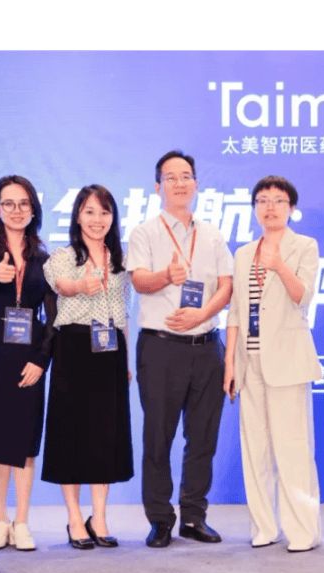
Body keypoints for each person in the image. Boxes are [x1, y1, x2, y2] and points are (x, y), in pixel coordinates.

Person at [127, 150, 234, 548]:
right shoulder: (145, 232)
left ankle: (193, 516)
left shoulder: (212, 234)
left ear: (196, 184)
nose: (179, 183)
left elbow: (226, 284)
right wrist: (166, 276)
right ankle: (159, 519)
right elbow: (139, 281)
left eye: (186, 176)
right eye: (171, 177)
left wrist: (203, 313)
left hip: (206, 346)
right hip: (161, 349)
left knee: (202, 438)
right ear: (158, 187)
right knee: (158, 437)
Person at [224, 175, 322, 552]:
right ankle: (264, 527)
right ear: (255, 208)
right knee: (256, 450)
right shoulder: (244, 254)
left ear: (291, 208)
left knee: (293, 448)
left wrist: (279, 266)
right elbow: (236, 310)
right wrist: (231, 363)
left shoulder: (304, 246)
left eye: (279, 200)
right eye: (263, 200)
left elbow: (303, 296)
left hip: (287, 360)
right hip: (249, 361)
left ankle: (303, 531)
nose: (270, 207)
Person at [42, 184, 133, 550]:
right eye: (90, 211)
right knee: (71, 434)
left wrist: (127, 361)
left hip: (111, 348)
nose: (98, 220)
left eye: (105, 212)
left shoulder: (120, 260)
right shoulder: (63, 256)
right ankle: (75, 518)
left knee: (105, 435)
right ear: (78, 215)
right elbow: (62, 285)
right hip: (74, 347)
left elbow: (124, 315)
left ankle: (100, 516)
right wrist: (82, 285)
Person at [0, 175, 55, 552]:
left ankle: (22, 521)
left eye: (23, 203)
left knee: (25, 436)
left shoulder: (45, 259)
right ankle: (0, 520)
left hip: (28, 351)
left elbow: (53, 316)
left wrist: (42, 361)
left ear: (33, 209)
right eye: (9, 203)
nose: (17, 210)